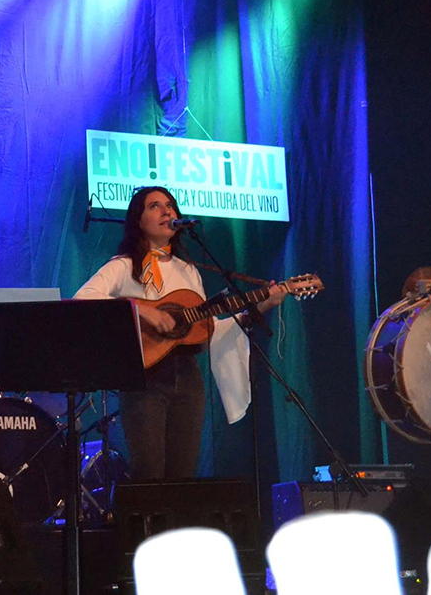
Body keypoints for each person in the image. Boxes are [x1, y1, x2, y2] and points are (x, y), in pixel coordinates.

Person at [74, 186, 285, 480]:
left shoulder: (189, 272)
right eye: (154, 206)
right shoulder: (123, 266)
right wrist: (140, 309)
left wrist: (260, 307)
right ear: (138, 220)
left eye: (170, 205)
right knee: (149, 472)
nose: (166, 211)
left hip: (188, 379)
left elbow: (204, 332)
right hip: (143, 379)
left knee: (183, 475)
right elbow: (83, 298)